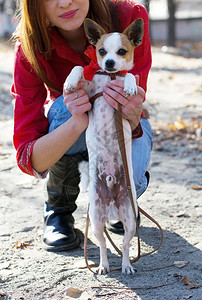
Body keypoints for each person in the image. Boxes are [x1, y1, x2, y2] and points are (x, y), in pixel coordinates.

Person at [11, 0, 153, 252]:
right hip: (73, 128)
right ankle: (59, 211)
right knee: (67, 105)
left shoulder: (128, 16)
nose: (65, 2)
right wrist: (77, 122)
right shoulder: (30, 49)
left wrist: (133, 112)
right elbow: (29, 156)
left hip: (121, 124)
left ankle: (124, 200)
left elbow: (135, 103)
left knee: (134, 120)